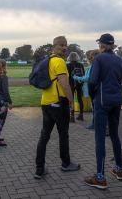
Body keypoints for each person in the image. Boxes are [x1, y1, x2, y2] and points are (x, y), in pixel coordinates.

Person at [84, 33, 122, 189]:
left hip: (102, 101)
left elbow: (92, 81)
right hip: (116, 101)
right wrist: (118, 89)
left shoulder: (99, 58)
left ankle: (100, 177)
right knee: (114, 135)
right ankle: (119, 170)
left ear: (101, 45)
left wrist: (94, 96)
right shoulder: (120, 60)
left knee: (100, 138)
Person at [34, 36, 81, 180]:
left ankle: (39, 169)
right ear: (54, 46)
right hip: (58, 103)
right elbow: (65, 84)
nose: (64, 48)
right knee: (63, 134)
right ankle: (66, 163)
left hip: (46, 102)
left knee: (44, 135)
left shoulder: (47, 60)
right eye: (61, 45)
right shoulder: (59, 62)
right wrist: (71, 101)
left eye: (65, 45)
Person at [73, 49, 100, 129]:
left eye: (89, 57)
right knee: (95, 108)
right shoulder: (93, 66)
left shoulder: (93, 66)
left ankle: (95, 124)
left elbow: (87, 78)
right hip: (95, 90)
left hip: (95, 90)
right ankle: (95, 123)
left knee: (95, 108)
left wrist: (76, 77)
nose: (88, 59)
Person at [0, 59, 13, 147]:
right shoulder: (4, 77)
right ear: (4, 66)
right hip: (2, 101)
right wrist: (10, 102)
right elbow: (5, 91)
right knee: (1, 121)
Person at [67, 52, 85, 122]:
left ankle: (72, 116)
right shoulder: (81, 65)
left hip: (71, 84)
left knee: (71, 100)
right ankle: (81, 115)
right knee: (80, 99)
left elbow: (67, 76)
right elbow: (83, 74)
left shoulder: (68, 65)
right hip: (79, 84)